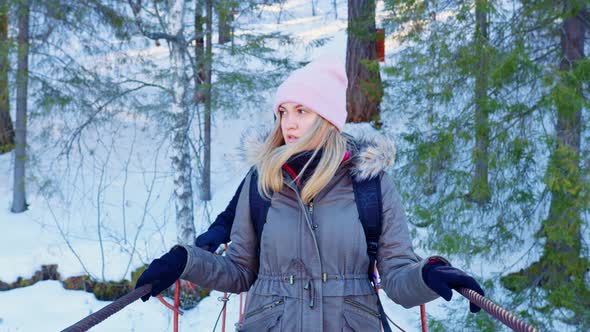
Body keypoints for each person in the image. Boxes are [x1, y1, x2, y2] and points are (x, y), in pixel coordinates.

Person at [136, 55, 485, 331]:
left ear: (328, 118)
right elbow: (240, 271)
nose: (288, 123)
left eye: (302, 111)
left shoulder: (371, 184)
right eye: (283, 112)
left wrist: (428, 274)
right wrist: (186, 261)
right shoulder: (263, 182)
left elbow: (396, 274)